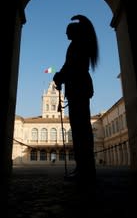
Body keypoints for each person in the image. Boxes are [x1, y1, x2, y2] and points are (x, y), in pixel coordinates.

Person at [53, 14, 98, 182]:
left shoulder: (79, 45)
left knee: (81, 129)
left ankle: (85, 169)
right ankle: (84, 167)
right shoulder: (75, 45)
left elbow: (72, 67)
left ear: (75, 32)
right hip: (77, 88)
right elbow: (68, 66)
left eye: (67, 31)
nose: (65, 34)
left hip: (78, 87)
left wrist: (60, 76)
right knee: (80, 128)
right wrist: (60, 76)